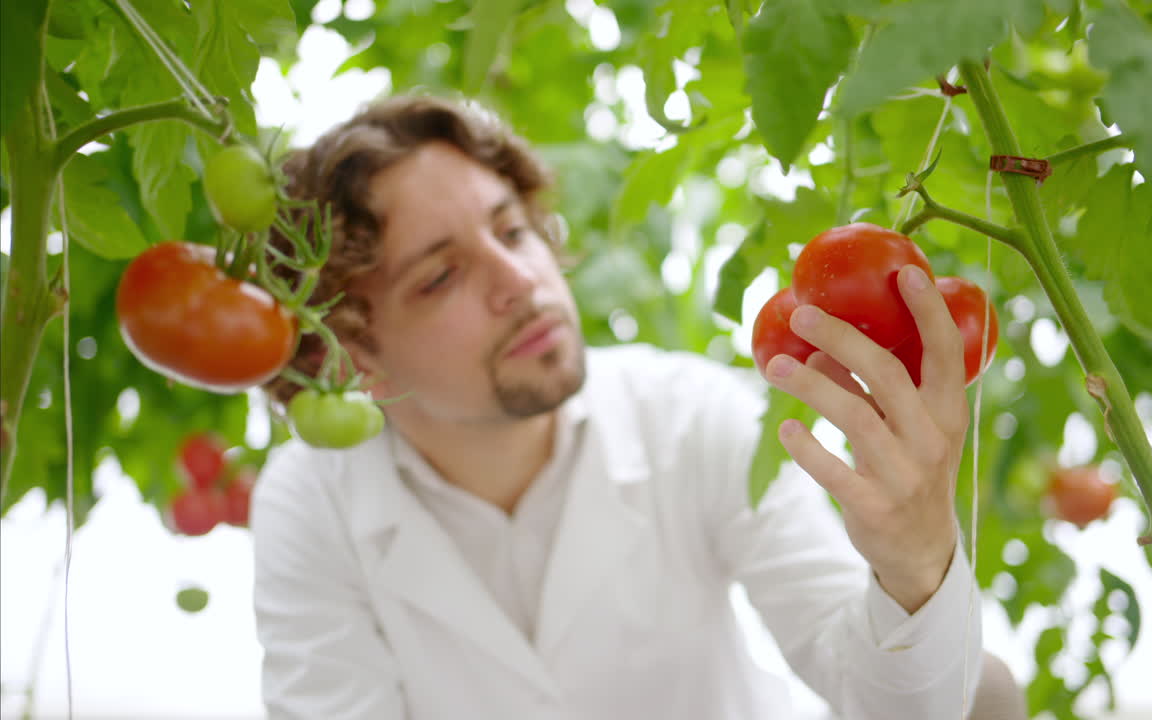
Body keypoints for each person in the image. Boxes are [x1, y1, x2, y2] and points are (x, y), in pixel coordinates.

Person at [253, 93, 993, 720]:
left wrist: (916, 561)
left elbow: (888, 699)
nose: (520, 277)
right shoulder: (312, 502)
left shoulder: (690, 415)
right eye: (442, 275)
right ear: (352, 360)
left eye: (512, 230)